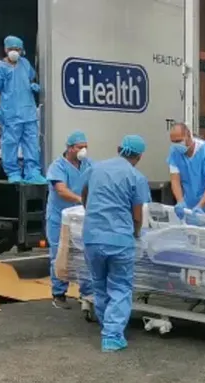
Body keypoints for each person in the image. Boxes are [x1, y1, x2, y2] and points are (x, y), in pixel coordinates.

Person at [81, 135, 151, 352]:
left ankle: (107, 324)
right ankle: (112, 336)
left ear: (119, 148)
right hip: (119, 240)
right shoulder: (136, 177)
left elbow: (84, 194)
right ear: (140, 156)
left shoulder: (95, 168)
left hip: (92, 236)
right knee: (120, 286)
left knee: (99, 284)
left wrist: (93, 214)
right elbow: (138, 215)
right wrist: (136, 233)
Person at [0, 35, 43, 185]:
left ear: (22, 50)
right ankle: (13, 173)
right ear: (6, 49)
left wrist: (33, 85)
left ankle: (33, 173)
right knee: (10, 144)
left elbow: (31, 77)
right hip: (10, 113)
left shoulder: (24, 63)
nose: (14, 52)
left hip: (28, 112)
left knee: (32, 144)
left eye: (18, 49)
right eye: (11, 49)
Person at [46, 130, 93, 309]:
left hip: (80, 218)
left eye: (85, 147)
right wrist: (81, 199)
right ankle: (58, 293)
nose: (83, 151)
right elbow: (61, 190)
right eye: (80, 147)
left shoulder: (88, 164)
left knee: (85, 255)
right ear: (70, 148)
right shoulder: (58, 166)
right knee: (60, 255)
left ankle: (87, 293)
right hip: (59, 217)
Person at [167, 123, 205, 220]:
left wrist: (200, 206)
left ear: (188, 135)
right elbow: (175, 180)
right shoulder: (174, 152)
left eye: (179, 141)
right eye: (173, 142)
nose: (176, 145)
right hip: (190, 206)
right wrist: (180, 201)